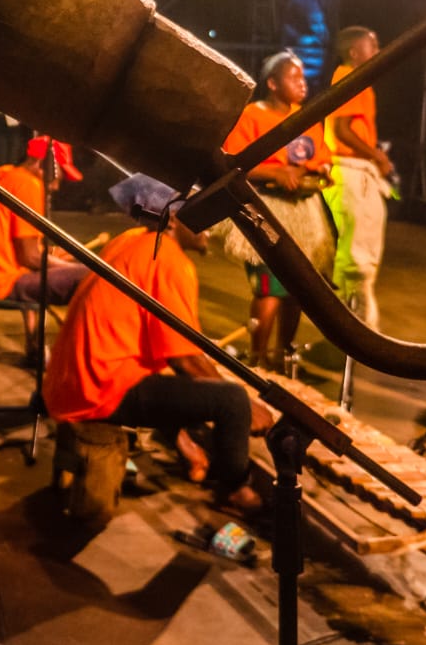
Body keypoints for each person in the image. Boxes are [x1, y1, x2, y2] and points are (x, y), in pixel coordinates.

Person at [45, 175, 270, 512]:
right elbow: (185, 359)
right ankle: (236, 489)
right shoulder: (168, 259)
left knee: (191, 387)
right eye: (201, 218)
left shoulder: (133, 240)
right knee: (232, 400)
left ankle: (192, 450)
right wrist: (249, 407)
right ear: (175, 218)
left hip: (74, 379)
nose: (209, 227)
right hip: (101, 388)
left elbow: (167, 347)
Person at [214, 51, 336, 370]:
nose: (302, 83)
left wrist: (317, 169)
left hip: (303, 213)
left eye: (303, 78)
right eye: (293, 78)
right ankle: (258, 358)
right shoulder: (252, 116)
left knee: (298, 288)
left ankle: (283, 354)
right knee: (268, 288)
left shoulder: (306, 116)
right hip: (266, 210)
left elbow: (322, 158)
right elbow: (232, 164)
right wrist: (275, 173)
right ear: (271, 83)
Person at [0, 135, 87, 362]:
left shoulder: (5, 173)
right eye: (57, 177)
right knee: (87, 277)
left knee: (62, 261)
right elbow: (30, 259)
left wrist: (58, 260)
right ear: (41, 164)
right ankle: (78, 358)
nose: (56, 186)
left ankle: (35, 348)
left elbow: (20, 246)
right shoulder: (29, 185)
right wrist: (71, 266)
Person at [323, 26, 394, 331]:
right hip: (351, 172)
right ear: (354, 52)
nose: (378, 51)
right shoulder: (347, 76)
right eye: (373, 45)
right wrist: (375, 155)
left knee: (360, 253)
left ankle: (355, 331)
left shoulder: (360, 83)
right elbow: (341, 131)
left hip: (357, 172)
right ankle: (352, 334)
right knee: (355, 257)